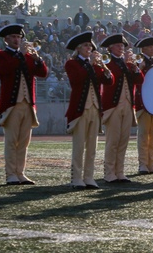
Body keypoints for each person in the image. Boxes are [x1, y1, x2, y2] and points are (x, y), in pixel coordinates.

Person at [0, 24, 48, 185]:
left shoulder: (29, 57)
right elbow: (6, 70)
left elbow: (43, 73)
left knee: (24, 142)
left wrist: (38, 59)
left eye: (19, 37)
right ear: (6, 40)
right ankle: (11, 174)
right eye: (14, 37)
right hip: (11, 104)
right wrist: (21, 55)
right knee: (11, 141)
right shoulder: (0, 55)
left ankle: (20, 173)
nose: (17, 39)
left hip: (28, 104)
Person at [64, 31, 112, 189]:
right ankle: (76, 178)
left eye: (90, 45)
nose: (89, 48)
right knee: (79, 146)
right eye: (86, 45)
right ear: (78, 48)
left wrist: (104, 68)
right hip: (80, 109)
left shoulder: (95, 64)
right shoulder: (72, 63)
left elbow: (109, 81)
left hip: (95, 109)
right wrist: (90, 64)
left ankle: (89, 177)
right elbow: (77, 79)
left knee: (92, 146)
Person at [99, 33, 143, 184]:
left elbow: (139, 80)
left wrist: (135, 67)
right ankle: (109, 173)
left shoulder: (127, 64)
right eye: (118, 46)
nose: (121, 48)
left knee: (123, 140)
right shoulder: (107, 62)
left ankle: (120, 172)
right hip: (113, 106)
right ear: (110, 48)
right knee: (113, 141)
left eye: (122, 46)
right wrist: (125, 63)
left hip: (128, 105)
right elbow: (112, 77)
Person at [134, 36, 153, 174]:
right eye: (151, 47)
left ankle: (151, 163)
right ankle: (142, 164)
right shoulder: (139, 60)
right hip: (144, 102)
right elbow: (136, 79)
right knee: (143, 134)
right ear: (144, 48)